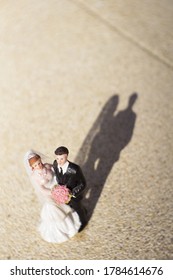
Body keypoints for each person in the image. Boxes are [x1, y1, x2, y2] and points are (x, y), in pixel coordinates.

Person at [24, 150, 81, 243]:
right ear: (32, 167)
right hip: (49, 193)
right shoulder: (34, 176)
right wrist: (53, 192)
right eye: (35, 165)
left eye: (39, 163)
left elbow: (57, 171)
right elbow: (41, 189)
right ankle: (64, 228)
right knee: (55, 209)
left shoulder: (47, 166)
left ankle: (71, 224)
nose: (38, 166)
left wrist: (60, 185)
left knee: (66, 205)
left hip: (57, 187)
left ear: (40, 160)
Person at [53, 146, 87, 231]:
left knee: (78, 209)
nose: (59, 161)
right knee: (71, 207)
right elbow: (57, 176)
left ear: (67, 156)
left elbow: (83, 184)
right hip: (62, 196)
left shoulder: (74, 169)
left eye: (62, 159)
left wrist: (72, 194)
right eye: (57, 158)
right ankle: (81, 210)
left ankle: (83, 221)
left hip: (74, 196)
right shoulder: (55, 164)